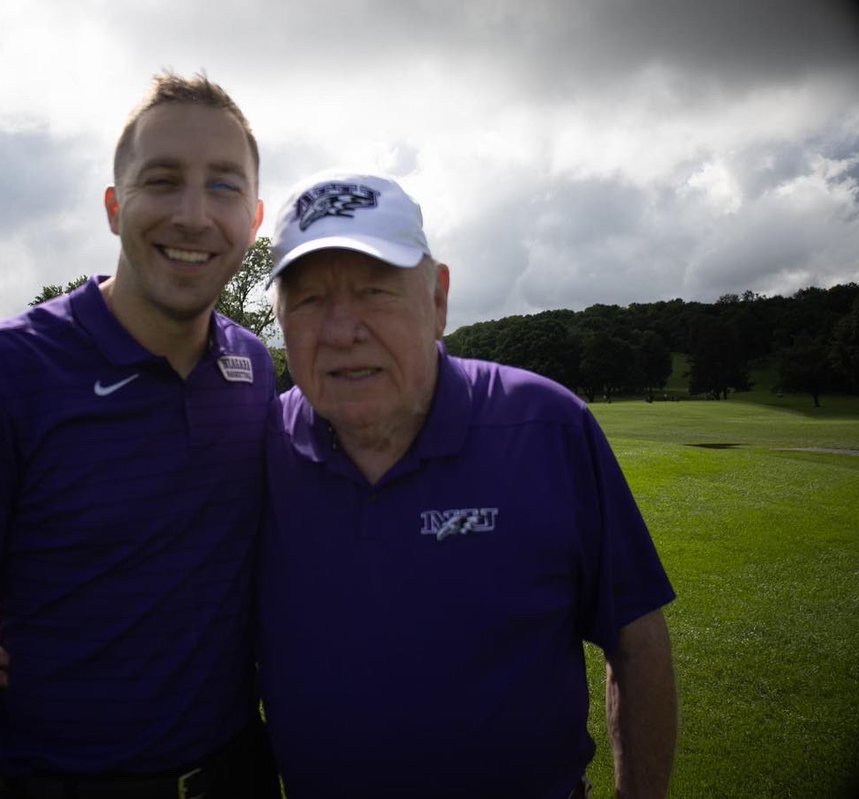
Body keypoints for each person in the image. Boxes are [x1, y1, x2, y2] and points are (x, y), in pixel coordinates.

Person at [0, 73, 279, 799]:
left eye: (224, 186)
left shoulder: (252, 366)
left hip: (239, 773)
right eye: (162, 180)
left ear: (254, 218)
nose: (194, 215)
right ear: (114, 206)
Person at [255, 171, 678, 798]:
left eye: (375, 290)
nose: (342, 330)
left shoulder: (547, 426)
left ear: (438, 300)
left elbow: (636, 639)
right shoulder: (257, 451)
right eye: (309, 300)